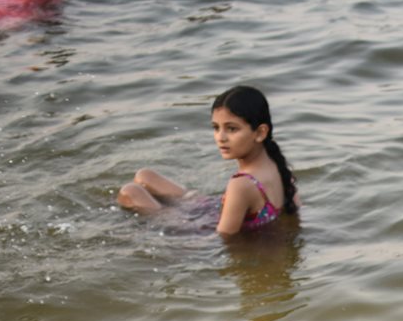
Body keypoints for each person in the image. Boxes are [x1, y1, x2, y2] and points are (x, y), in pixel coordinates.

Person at [118, 85, 298, 236]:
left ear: (260, 133)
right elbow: (294, 209)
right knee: (144, 176)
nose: (221, 137)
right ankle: (182, 200)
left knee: (130, 191)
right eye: (216, 128)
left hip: (204, 224)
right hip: (215, 209)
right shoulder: (279, 167)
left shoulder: (242, 185)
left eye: (232, 129)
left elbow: (223, 238)